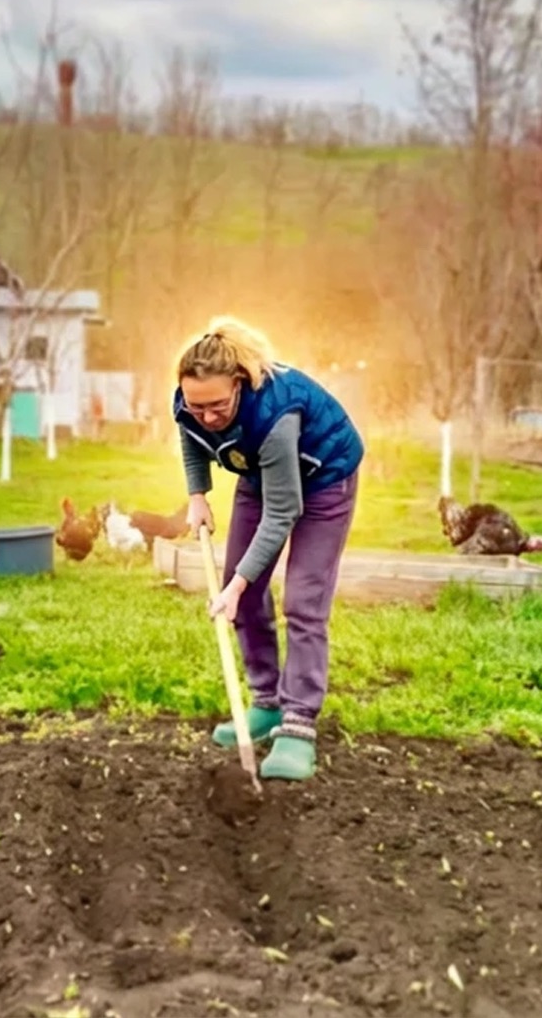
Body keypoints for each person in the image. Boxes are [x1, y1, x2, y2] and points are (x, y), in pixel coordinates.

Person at [172, 317, 363, 781]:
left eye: (218, 405)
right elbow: (192, 436)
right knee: (245, 592)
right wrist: (197, 494)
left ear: (239, 383)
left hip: (324, 481)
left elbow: (284, 512)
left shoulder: (276, 416)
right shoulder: (192, 401)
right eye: (198, 407)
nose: (209, 416)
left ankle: (298, 726)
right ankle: (267, 701)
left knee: (303, 601)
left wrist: (236, 584)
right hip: (260, 477)